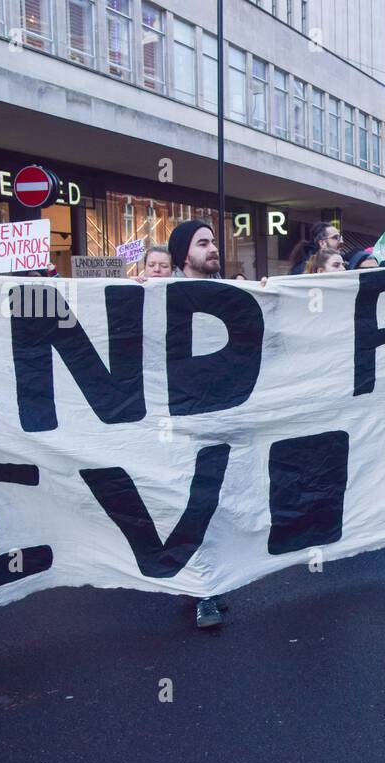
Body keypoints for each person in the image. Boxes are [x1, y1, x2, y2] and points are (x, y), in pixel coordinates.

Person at [166, 219, 229, 627]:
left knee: (223, 505)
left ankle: (212, 583)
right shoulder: (159, 296)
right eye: (202, 243)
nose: (212, 248)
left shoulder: (230, 294)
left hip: (225, 416)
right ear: (181, 254)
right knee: (195, 503)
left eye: (212, 242)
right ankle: (202, 590)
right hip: (182, 419)